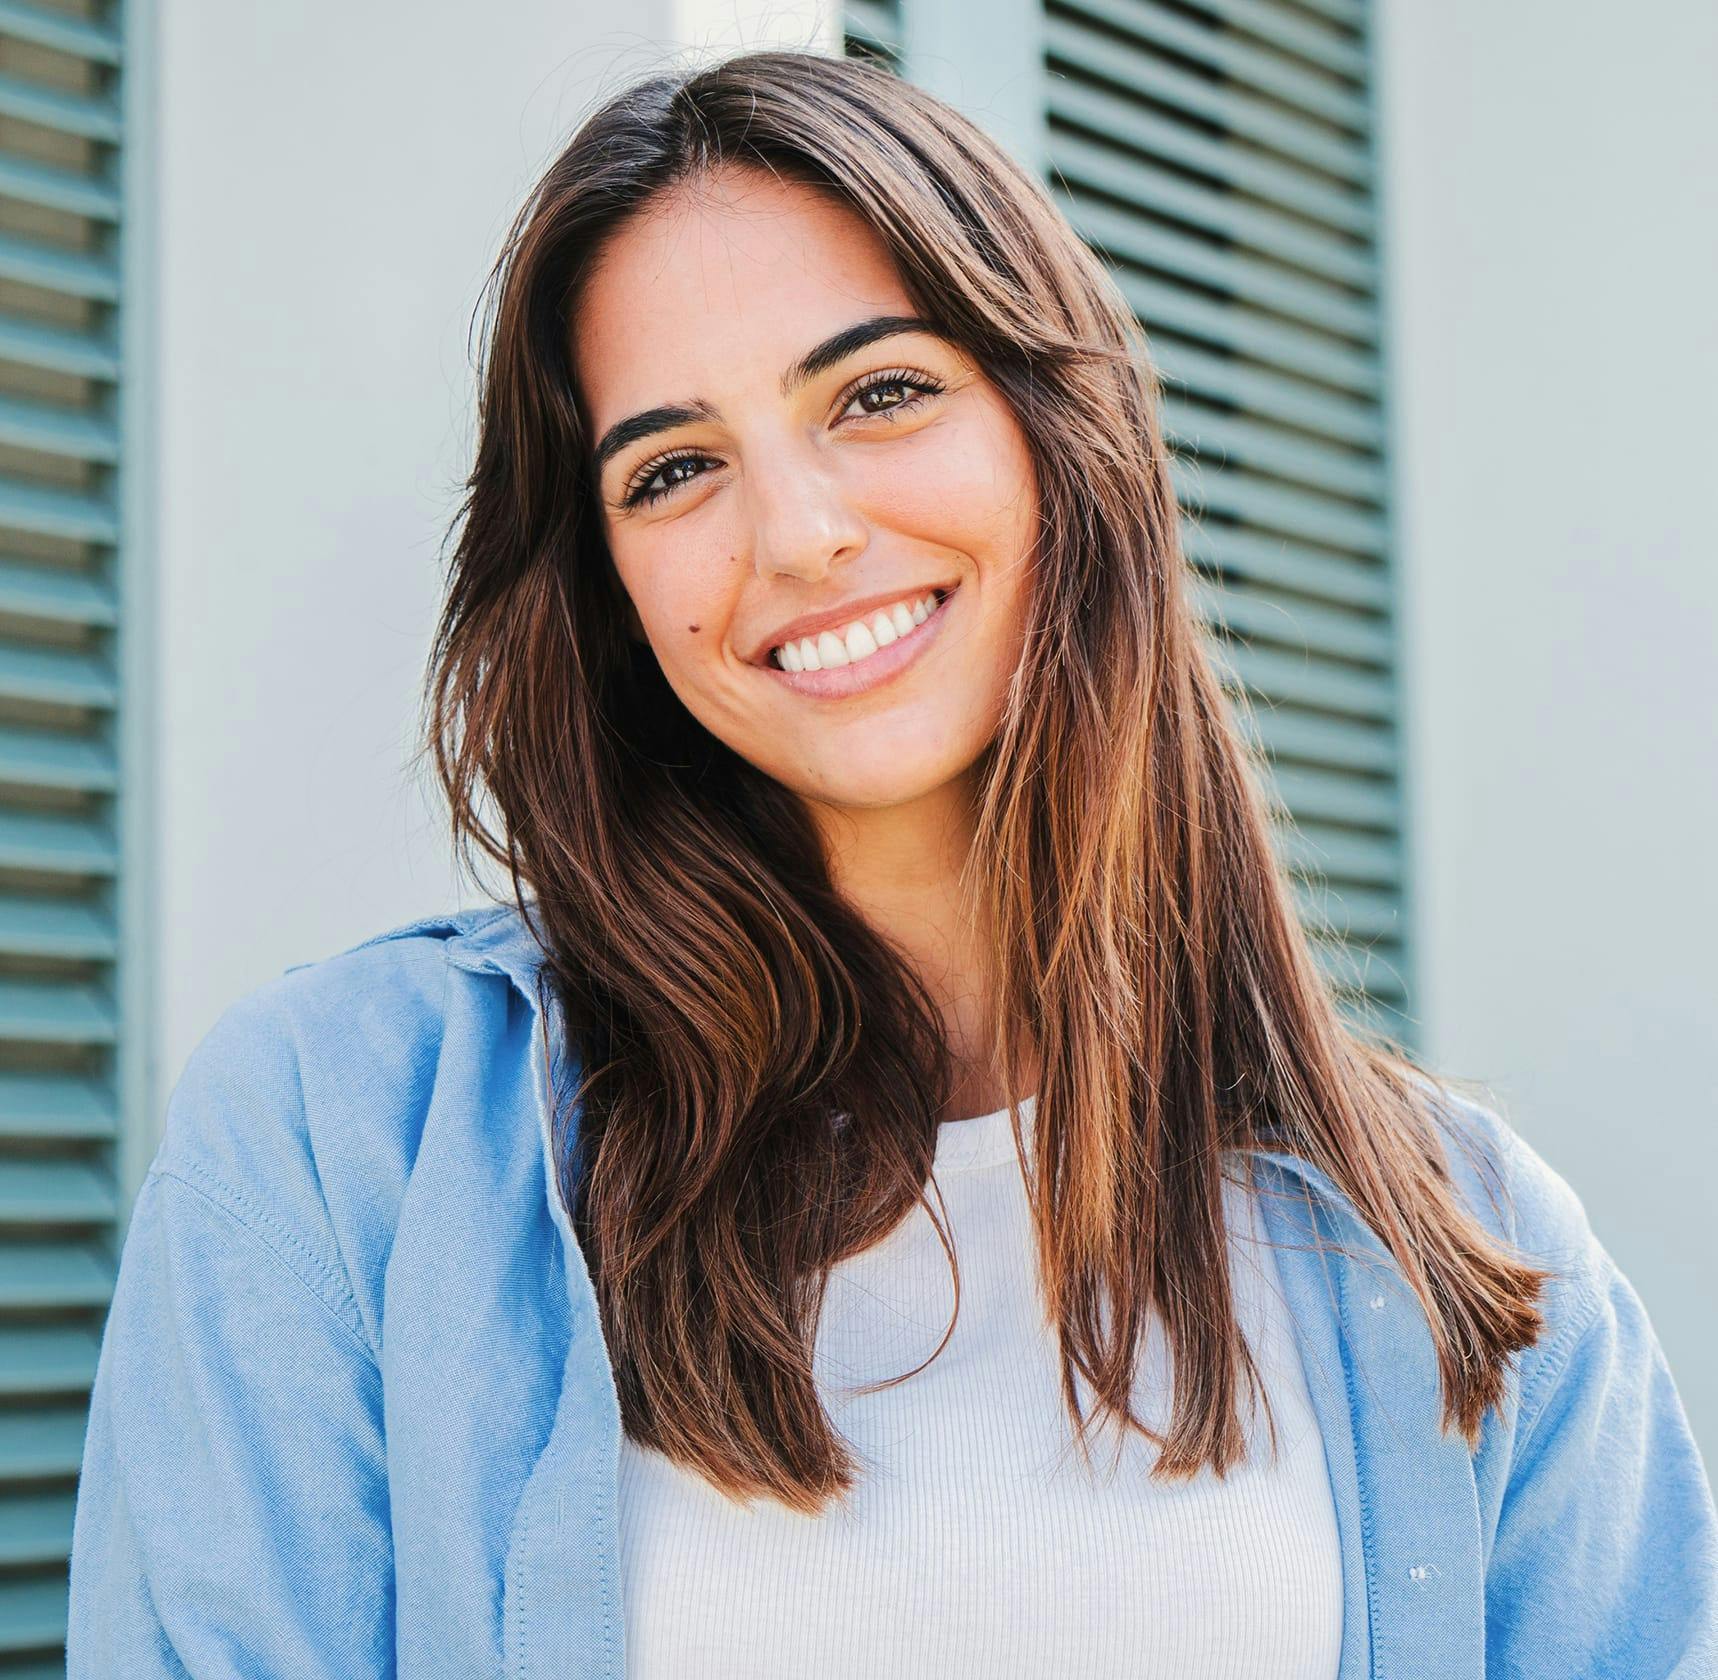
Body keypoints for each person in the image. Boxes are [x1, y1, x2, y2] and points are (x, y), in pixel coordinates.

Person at [66, 47, 1716, 1680]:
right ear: (610, 593)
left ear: (1061, 435)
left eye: (879, 392)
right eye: (674, 469)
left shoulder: (1468, 1243)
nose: (794, 534)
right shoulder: (342, 1140)